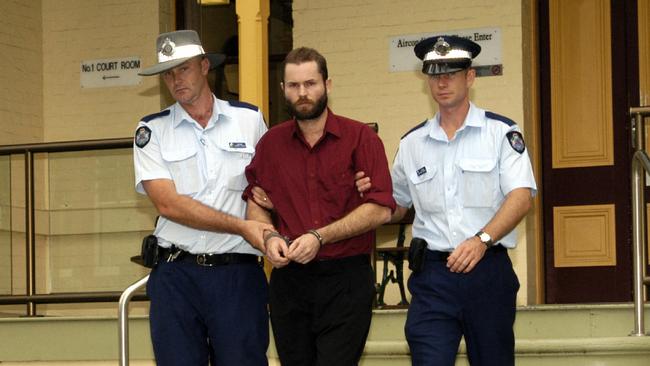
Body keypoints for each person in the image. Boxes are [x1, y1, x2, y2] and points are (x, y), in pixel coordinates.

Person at [359, 35, 536, 365]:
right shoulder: (412, 143)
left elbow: (521, 197)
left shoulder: (501, 133)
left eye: (450, 74)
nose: (441, 83)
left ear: (470, 77)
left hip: (487, 271)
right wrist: (367, 194)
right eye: (434, 75)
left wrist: (481, 240)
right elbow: (396, 205)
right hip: (433, 277)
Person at [244, 47, 396, 366]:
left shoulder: (361, 139)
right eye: (294, 85)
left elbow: (381, 207)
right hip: (289, 282)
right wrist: (268, 238)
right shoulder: (270, 145)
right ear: (283, 89)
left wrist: (319, 236)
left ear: (328, 85)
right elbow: (255, 203)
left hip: (346, 280)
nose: (303, 93)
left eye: (311, 83)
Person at [132, 30, 273, 366]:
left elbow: (269, 188)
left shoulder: (249, 120)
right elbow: (168, 204)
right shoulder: (151, 131)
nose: (175, 80)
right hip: (177, 274)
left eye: (183, 69)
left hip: (237, 275)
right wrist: (242, 226)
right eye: (168, 73)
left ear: (205, 66)